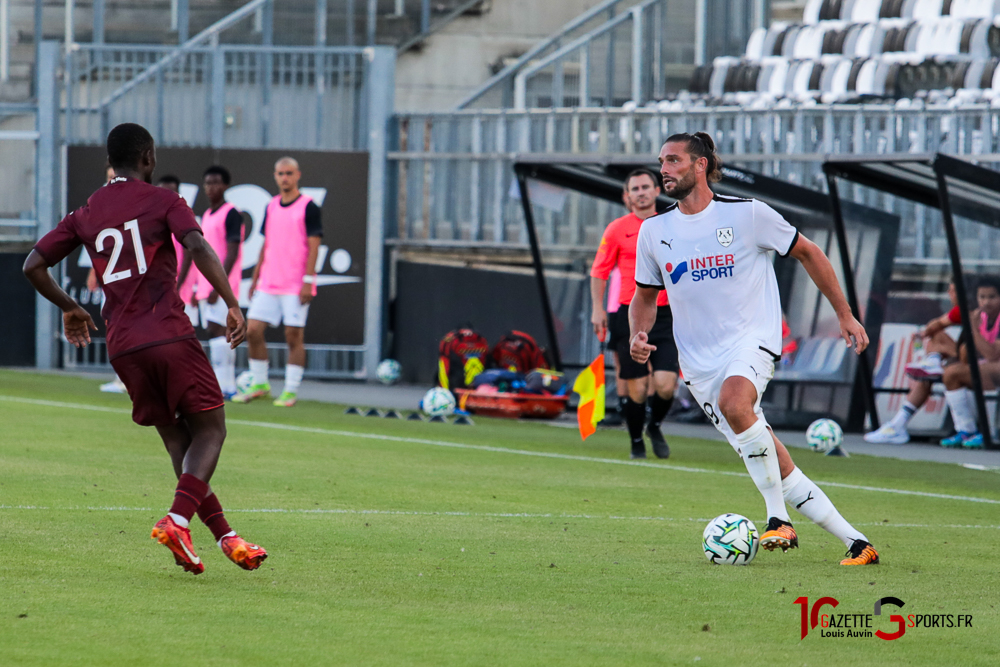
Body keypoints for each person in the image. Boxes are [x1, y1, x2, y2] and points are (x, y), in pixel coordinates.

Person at [23, 123, 267, 575]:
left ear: (111, 163)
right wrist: (232, 302)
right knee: (211, 430)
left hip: (122, 346)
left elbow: (33, 264)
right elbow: (197, 244)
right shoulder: (165, 201)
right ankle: (177, 520)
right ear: (149, 157)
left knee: (179, 441)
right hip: (168, 333)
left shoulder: (87, 210)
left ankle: (226, 538)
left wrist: (72, 307)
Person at [630, 131, 879, 566]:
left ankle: (777, 520)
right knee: (769, 456)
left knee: (736, 402)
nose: (663, 170)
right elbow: (645, 296)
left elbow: (810, 253)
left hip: (752, 339)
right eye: (661, 161)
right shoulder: (654, 231)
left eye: (672, 161)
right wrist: (639, 333)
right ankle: (857, 542)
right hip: (698, 363)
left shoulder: (748, 215)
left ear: (700, 165)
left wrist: (845, 314)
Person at [591, 169, 678, 459]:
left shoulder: (674, 224)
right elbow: (599, 271)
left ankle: (654, 426)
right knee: (637, 388)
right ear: (628, 195)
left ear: (657, 191)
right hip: (630, 314)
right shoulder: (617, 229)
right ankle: (636, 442)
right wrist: (597, 309)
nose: (640, 192)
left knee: (666, 385)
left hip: (666, 314)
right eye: (635, 189)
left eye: (645, 187)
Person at [233, 157, 322, 408]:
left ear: (298, 175)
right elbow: (266, 243)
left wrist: (308, 281)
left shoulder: (308, 207)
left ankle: (290, 390)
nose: (285, 178)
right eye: (281, 173)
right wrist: (257, 275)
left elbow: (314, 246)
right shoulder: (271, 206)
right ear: (275, 176)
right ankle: (260, 383)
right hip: (268, 282)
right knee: (252, 331)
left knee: (293, 336)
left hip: (295, 284)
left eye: (289, 173)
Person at [865, 281, 962, 444]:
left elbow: (936, 325)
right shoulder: (960, 311)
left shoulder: (973, 312)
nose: (949, 294)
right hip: (966, 360)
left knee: (937, 339)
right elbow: (937, 323)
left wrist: (925, 334)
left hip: (979, 363)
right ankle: (897, 425)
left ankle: (933, 360)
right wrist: (926, 333)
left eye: (953, 290)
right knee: (927, 376)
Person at [178, 166, 244, 398]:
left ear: (225, 186)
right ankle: (222, 384)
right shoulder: (206, 215)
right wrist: (198, 287)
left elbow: (233, 252)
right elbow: (201, 254)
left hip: (222, 283)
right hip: (207, 284)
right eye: (207, 183)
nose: (210, 187)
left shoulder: (231, 213)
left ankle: (227, 385)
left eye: (215, 182)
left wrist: (219, 285)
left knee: (221, 331)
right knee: (212, 331)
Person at [939, 276, 1000, 449]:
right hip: (988, 367)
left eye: (992, 297)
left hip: (994, 365)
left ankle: (989, 430)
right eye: (982, 297)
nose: (986, 302)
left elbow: (992, 353)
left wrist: (973, 327)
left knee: (983, 370)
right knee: (951, 373)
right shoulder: (980, 317)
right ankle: (966, 429)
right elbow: (966, 351)